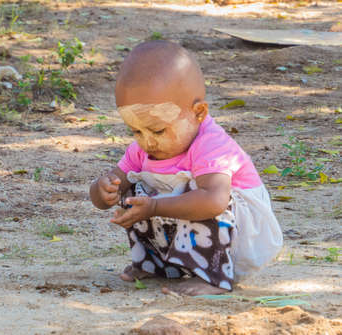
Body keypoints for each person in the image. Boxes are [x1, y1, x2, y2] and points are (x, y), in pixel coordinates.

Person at [89, 40, 283, 296]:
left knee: (195, 191)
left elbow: (214, 201)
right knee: (135, 188)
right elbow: (113, 185)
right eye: (136, 130)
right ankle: (158, 265)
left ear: (199, 113)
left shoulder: (211, 144)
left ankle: (213, 276)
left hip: (240, 237)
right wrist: (102, 190)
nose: (148, 141)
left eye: (158, 130)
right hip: (191, 232)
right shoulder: (144, 148)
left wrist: (155, 207)